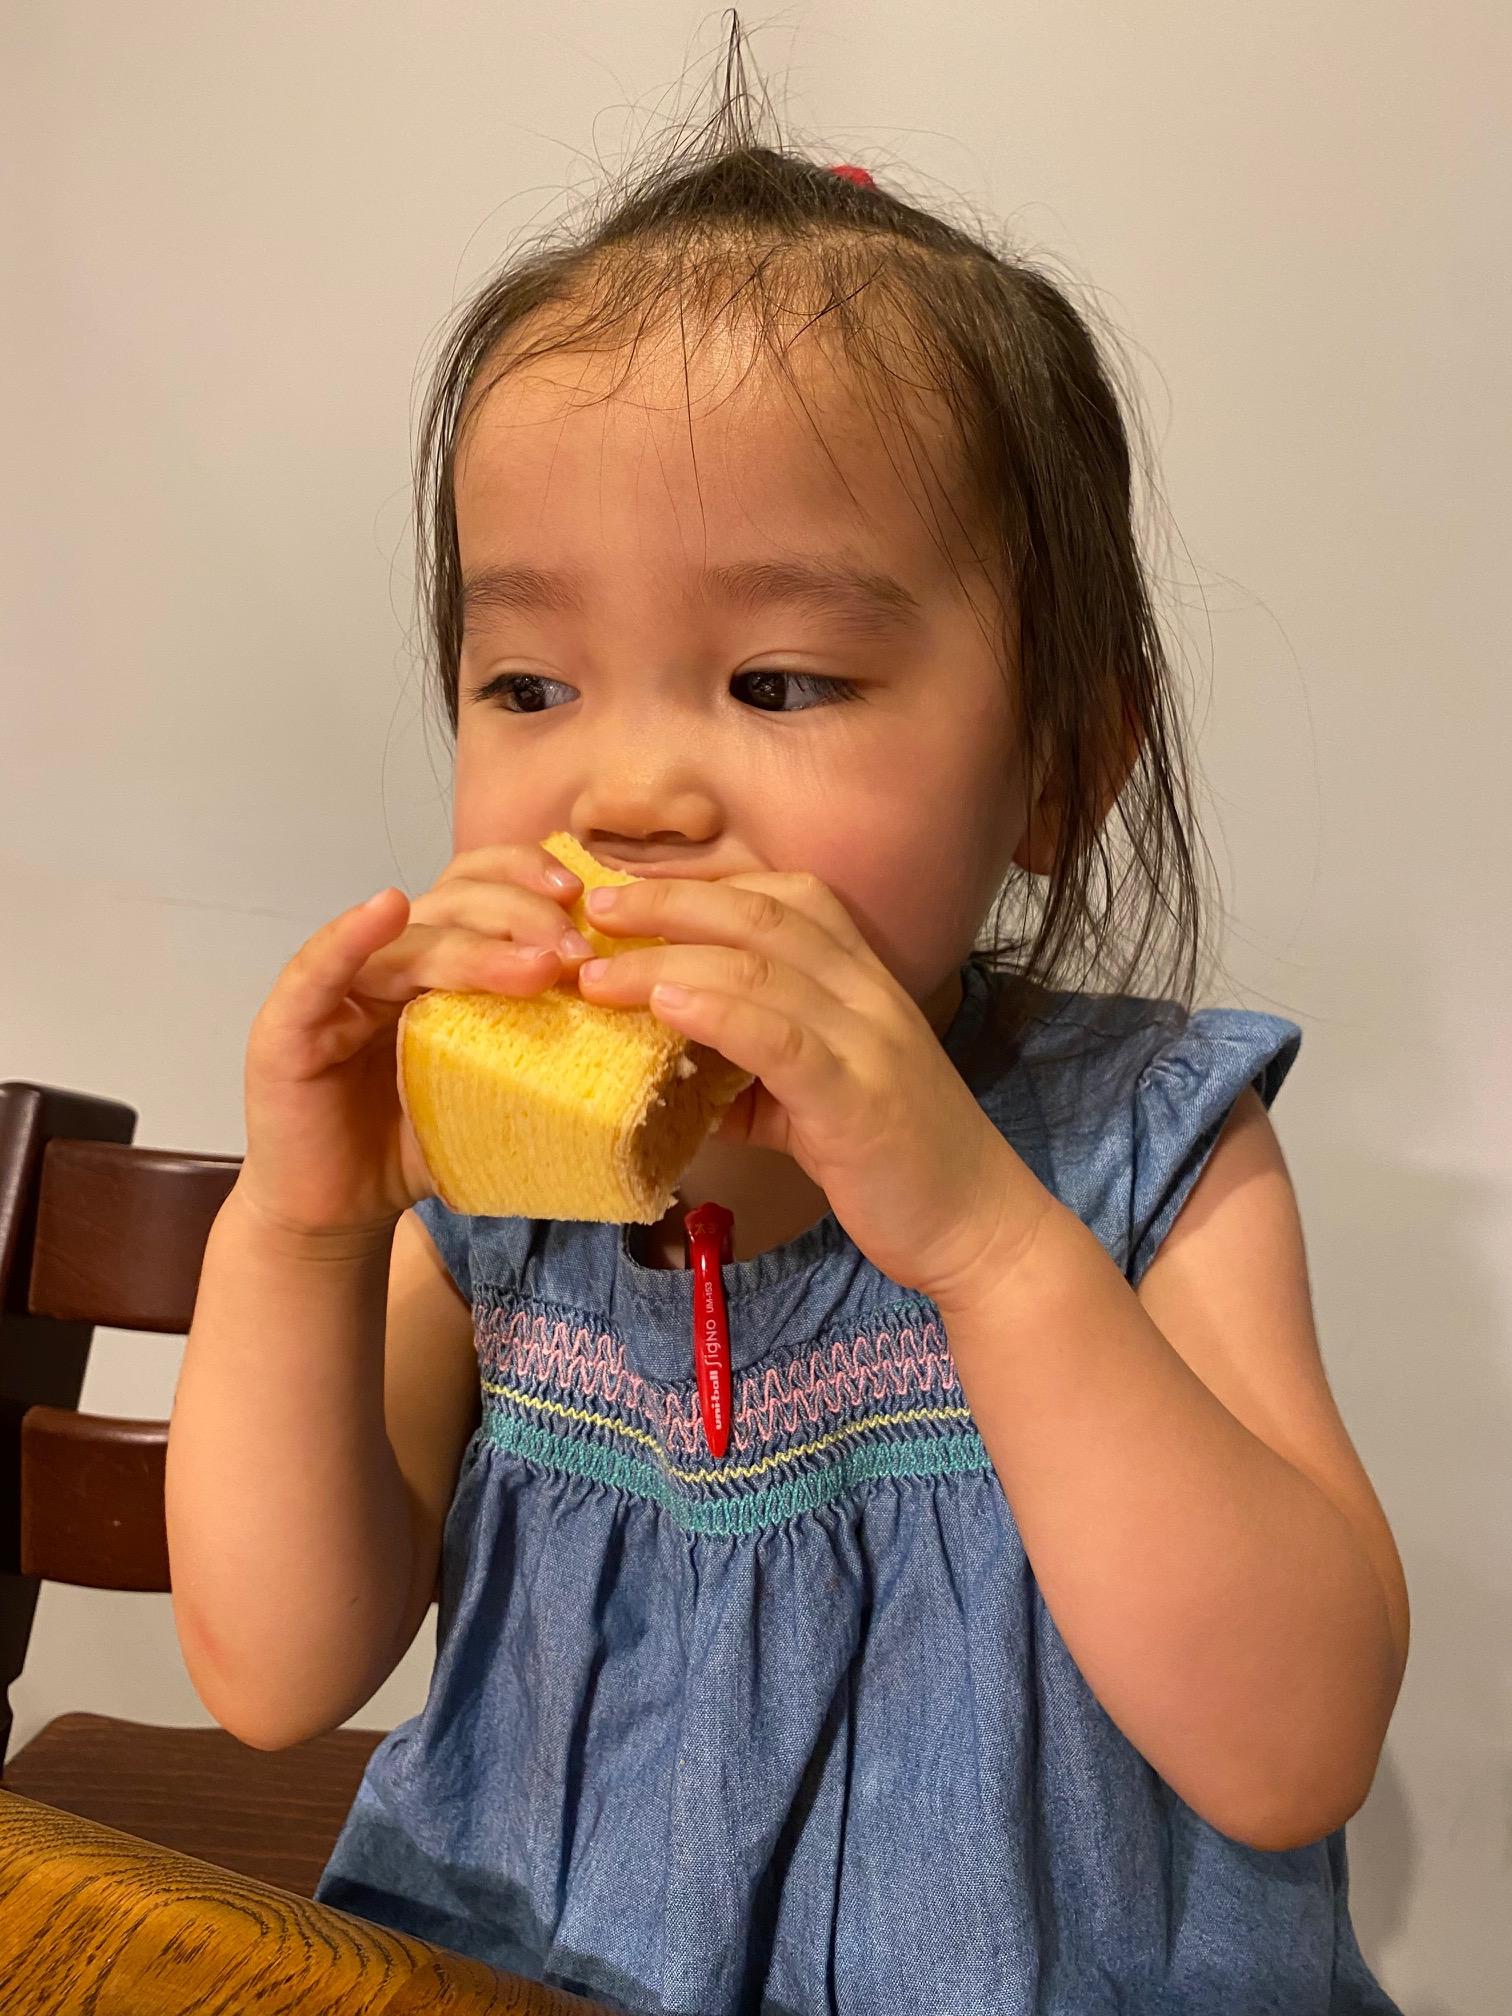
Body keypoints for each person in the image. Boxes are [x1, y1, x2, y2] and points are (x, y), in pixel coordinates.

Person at [166, 31, 1409, 2016]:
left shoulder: (1147, 1145)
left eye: (778, 680)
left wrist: (984, 1236)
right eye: (528, 684)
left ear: (1061, 766)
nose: (630, 791)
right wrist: (299, 1228)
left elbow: (1294, 1746)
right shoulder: (487, 1211)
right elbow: (271, 1669)